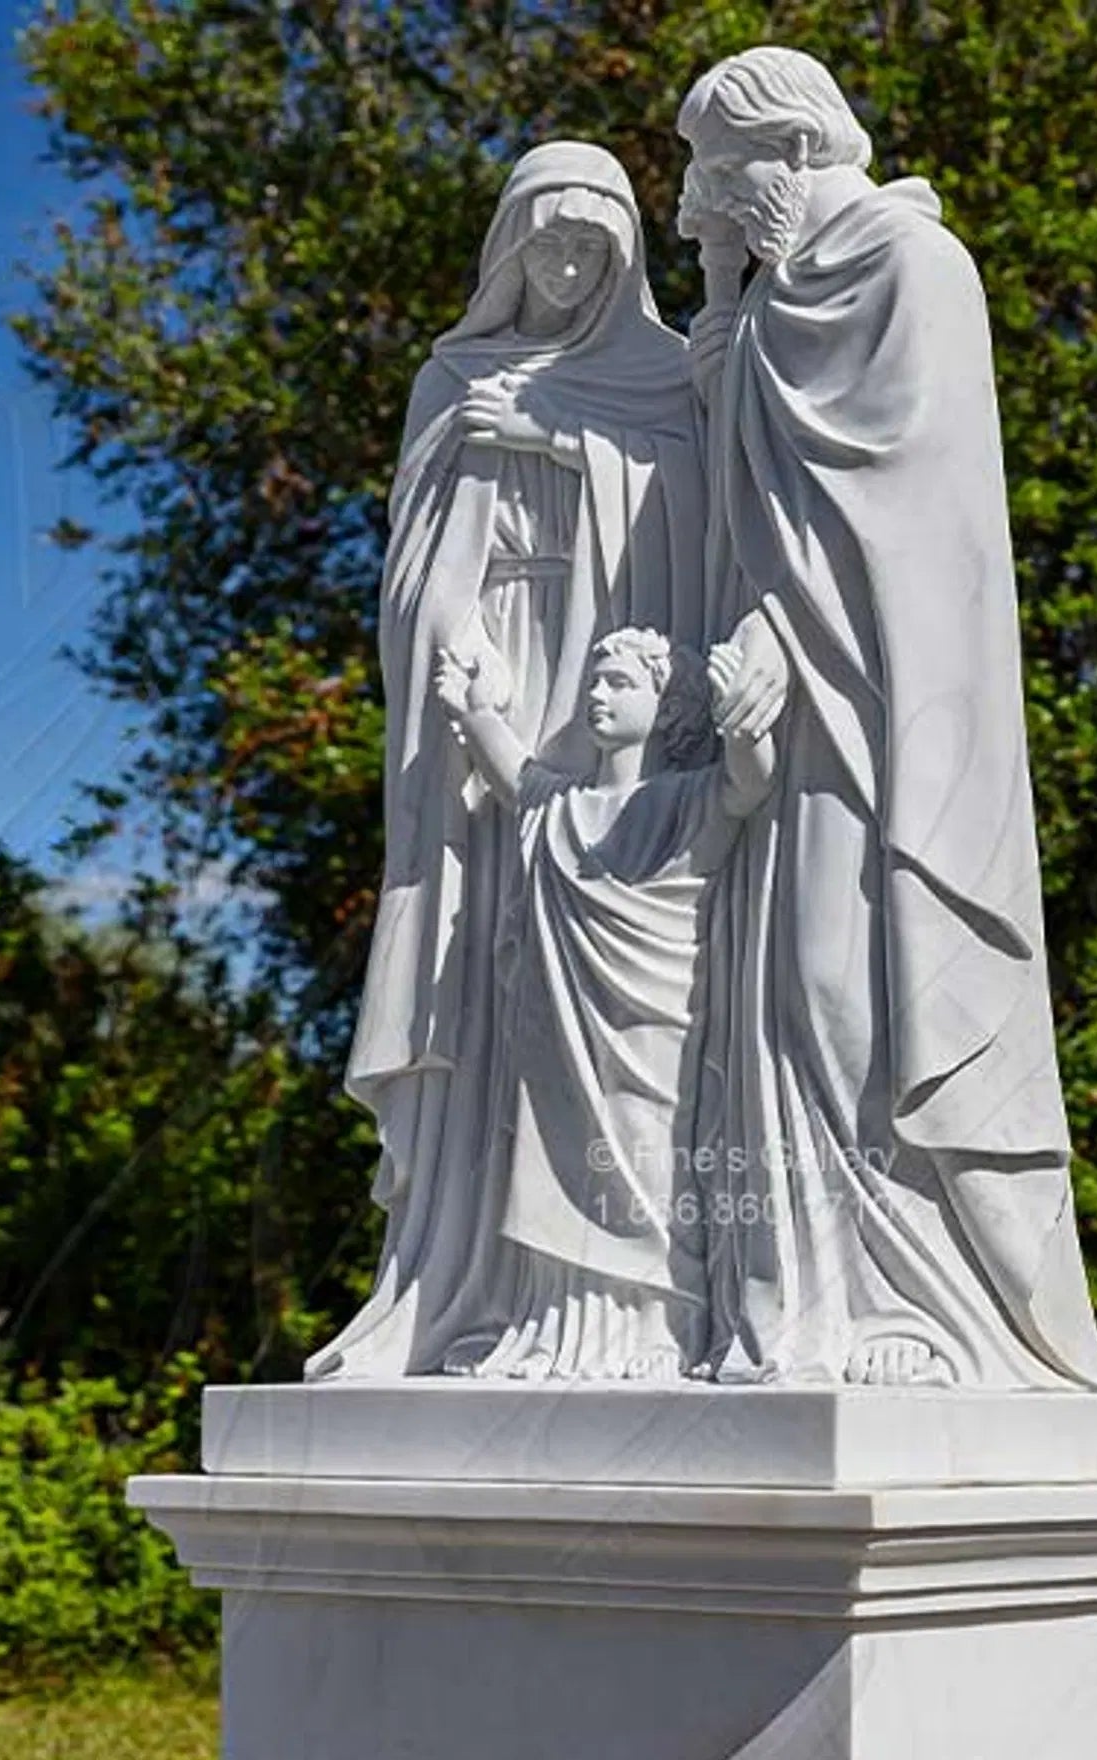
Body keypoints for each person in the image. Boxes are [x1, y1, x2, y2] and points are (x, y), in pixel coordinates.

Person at [676, 48, 1097, 1389]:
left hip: (876, 703)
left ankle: (907, 1298)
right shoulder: (772, 297)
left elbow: (908, 504)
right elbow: (743, 495)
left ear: (796, 147)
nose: (703, 199)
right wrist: (719, 325)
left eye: (722, 169)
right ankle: (789, 1307)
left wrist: (782, 622)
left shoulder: (914, 267)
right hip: (779, 710)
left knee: (843, 975)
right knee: (762, 993)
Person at [309, 142, 704, 1380]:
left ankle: (596, 1286)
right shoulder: (452, 375)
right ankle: (449, 1282)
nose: (569, 268)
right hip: (484, 679)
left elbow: (699, 524)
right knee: (473, 955)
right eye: (549, 246)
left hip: (605, 673)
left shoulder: (664, 374)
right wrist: (454, 654)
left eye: (593, 249)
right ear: (509, 251)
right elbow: (413, 564)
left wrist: (559, 441)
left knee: (584, 961)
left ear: (623, 260)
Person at [430, 628, 778, 1380]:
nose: (597, 694)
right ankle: (555, 1328)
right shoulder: (562, 807)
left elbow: (747, 785)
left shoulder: (686, 799)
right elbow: (515, 777)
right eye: (594, 679)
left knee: (650, 1164)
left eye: (620, 682)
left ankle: (659, 1326)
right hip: (560, 1027)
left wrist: (743, 725)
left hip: (654, 1024)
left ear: (669, 705)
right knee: (556, 1158)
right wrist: (474, 707)